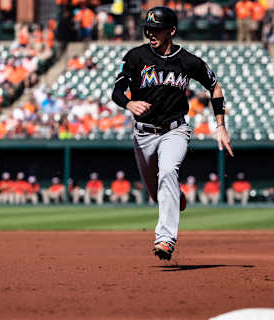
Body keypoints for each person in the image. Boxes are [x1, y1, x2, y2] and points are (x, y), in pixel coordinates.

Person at [111, 6, 233, 260]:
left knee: (168, 171)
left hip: (174, 131)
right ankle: (176, 197)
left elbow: (215, 87)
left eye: (156, 29)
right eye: (148, 29)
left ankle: (165, 239)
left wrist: (220, 126)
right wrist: (128, 103)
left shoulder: (187, 61)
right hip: (143, 135)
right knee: (157, 194)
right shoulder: (136, 56)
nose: (151, 33)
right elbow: (117, 90)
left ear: (172, 31)